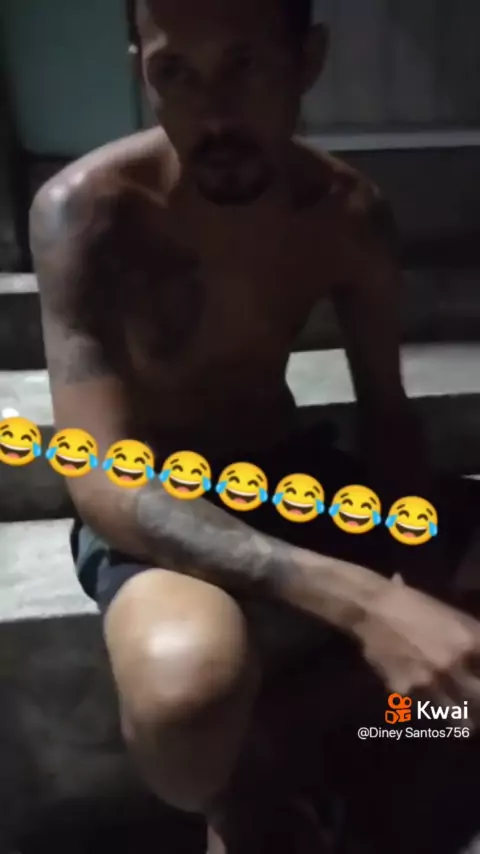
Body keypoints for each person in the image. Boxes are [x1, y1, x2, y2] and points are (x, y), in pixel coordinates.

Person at [30, 0, 480, 850]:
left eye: (245, 66)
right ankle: (248, 793)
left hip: (289, 473)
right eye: (175, 73)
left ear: (307, 61)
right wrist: (364, 602)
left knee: (443, 662)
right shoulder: (88, 214)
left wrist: (415, 578)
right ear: (141, 72)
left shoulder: (346, 210)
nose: (214, 115)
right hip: (156, 501)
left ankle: (319, 735)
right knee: (185, 698)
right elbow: (100, 474)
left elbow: (387, 416)